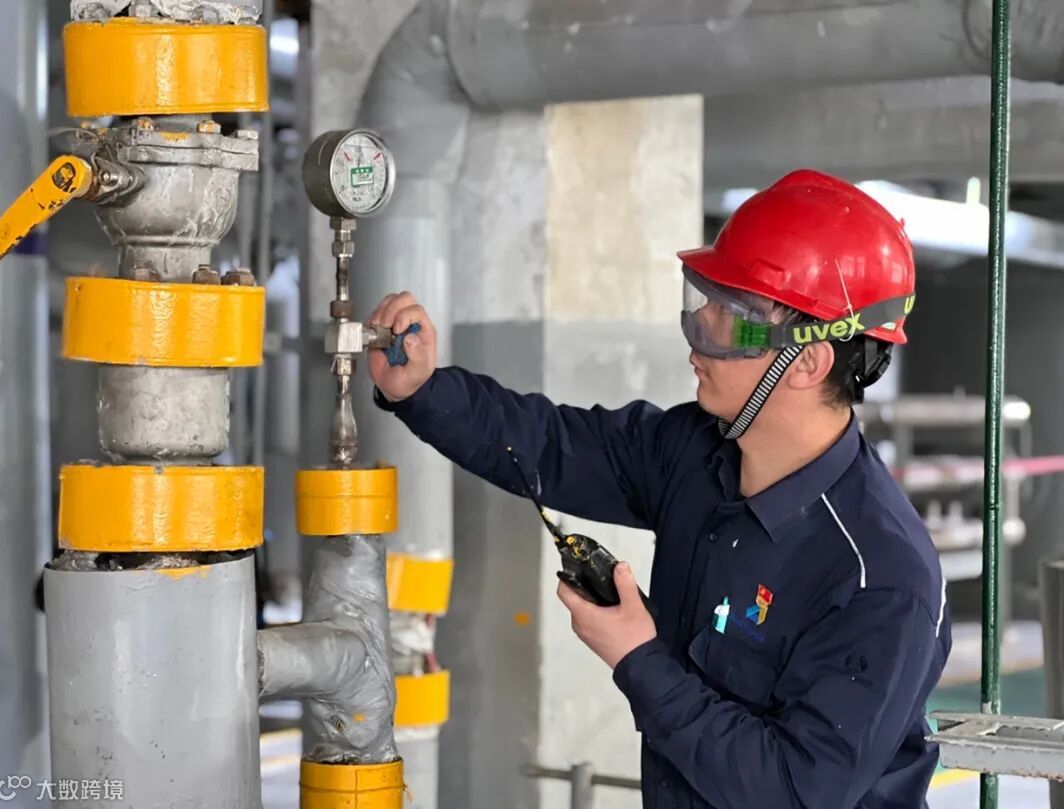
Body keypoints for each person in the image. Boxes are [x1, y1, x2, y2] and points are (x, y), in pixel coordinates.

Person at [366, 169, 950, 809]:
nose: (698, 335)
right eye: (705, 301)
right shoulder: (694, 453)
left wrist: (639, 656)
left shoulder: (879, 578)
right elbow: (552, 445)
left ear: (807, 360)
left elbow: (792, 790)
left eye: (732, 317)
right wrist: (423, 390)